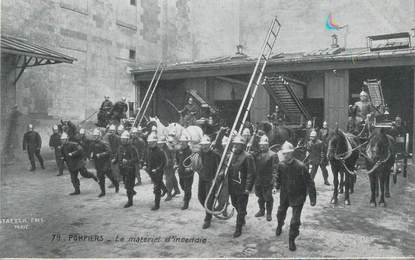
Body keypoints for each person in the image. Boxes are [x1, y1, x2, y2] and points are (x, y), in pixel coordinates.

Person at [274, 141, 316, 251]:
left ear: (292, 153)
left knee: (295, 221)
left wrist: (312, 198)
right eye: (284, 153)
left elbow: (310, 182)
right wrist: (276, 187)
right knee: (280, 213)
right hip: (285, 195)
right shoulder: (281, 165)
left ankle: (291, 239)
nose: (285, 155)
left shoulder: (301, 166)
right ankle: (279, 225)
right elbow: (278, 178)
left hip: (298, 196)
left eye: (287, 153)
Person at [227, 135, 256, 238]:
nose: (236, 146)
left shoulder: (248, 157)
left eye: (238, 145)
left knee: (241, 206)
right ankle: (242, 214)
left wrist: (248, 188)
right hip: (232, 186)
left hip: (242, 187)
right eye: (235, 144)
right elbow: (228, 168)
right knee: (235, 204)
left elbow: (251, 174)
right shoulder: (231, 155)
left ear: (243, 146)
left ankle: (238, 228)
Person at [198, 135, 221, 229]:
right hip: (202, 178)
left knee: (209, 199)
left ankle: (208, 219)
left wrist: (220, 174)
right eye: (203, 145)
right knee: (200, 197)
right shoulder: (200, 153)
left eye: (206, 145)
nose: (204, 147)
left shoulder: (215, 154)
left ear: (209, 144)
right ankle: (210, 210)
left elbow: (221, 166)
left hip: (211, 179)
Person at [254, 135, 278, 221]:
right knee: (260, 196)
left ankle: (269, 213)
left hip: (268, 181)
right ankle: (261, 210)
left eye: (264, 144)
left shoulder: (273, 155)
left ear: (267, 145)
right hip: (258, 180)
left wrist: (274, 184)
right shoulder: (257, 154)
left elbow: (275, 170)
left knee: (268, 198)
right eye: (261, 144)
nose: (262, 146)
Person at [90, 128, 119, 197]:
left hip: (105, 163)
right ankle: (103, 192)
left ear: (99, 136)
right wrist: (91, 156)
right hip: (98, 163)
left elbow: (109, 152)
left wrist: (100, 154)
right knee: (100, 177)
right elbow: (91, 152)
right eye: (94, 136)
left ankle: (116, 184)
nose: (95, 137)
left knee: (110, 176)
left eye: (96, 136)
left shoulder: (104, 143)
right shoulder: (92, 144)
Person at [113, 131, 137, 208]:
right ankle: (131, 192)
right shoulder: (120, 147)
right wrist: (115, 160)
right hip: (123, 170)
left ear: (128, 139)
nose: (123, 140)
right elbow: (118, 155)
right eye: (122, 139)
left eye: (125, 139)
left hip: (130, 170)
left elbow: (136, 159)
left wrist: (128, 161)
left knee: (128, 186)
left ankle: (130, 201)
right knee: (127, 185)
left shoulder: (132, 148)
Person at [145, 133, 167, 210]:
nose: (150, 144)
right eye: (149, 142)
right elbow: (147, 158)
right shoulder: (149, 150)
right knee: (157, 183)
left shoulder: (160, 151)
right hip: (151, 171)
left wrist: (158, 169)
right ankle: (164, 189)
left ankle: (157, 205)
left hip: (158, 172)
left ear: (155, 142)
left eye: (151, 142)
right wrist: (145, 164)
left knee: (156, 188)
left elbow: (164, 162)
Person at [175, 134, 194, 210]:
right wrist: (176, 164)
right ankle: (188, 195)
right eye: (181, 142)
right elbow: (177, 159)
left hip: (189, 173)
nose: (182, 143)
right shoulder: (179, 150)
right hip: (181, 172)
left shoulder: (191, 151)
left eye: (184, 142)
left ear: (187, 142)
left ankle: (186, 202)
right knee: (182, 185)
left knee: (187, 187)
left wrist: (190, 167)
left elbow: (195, 161)